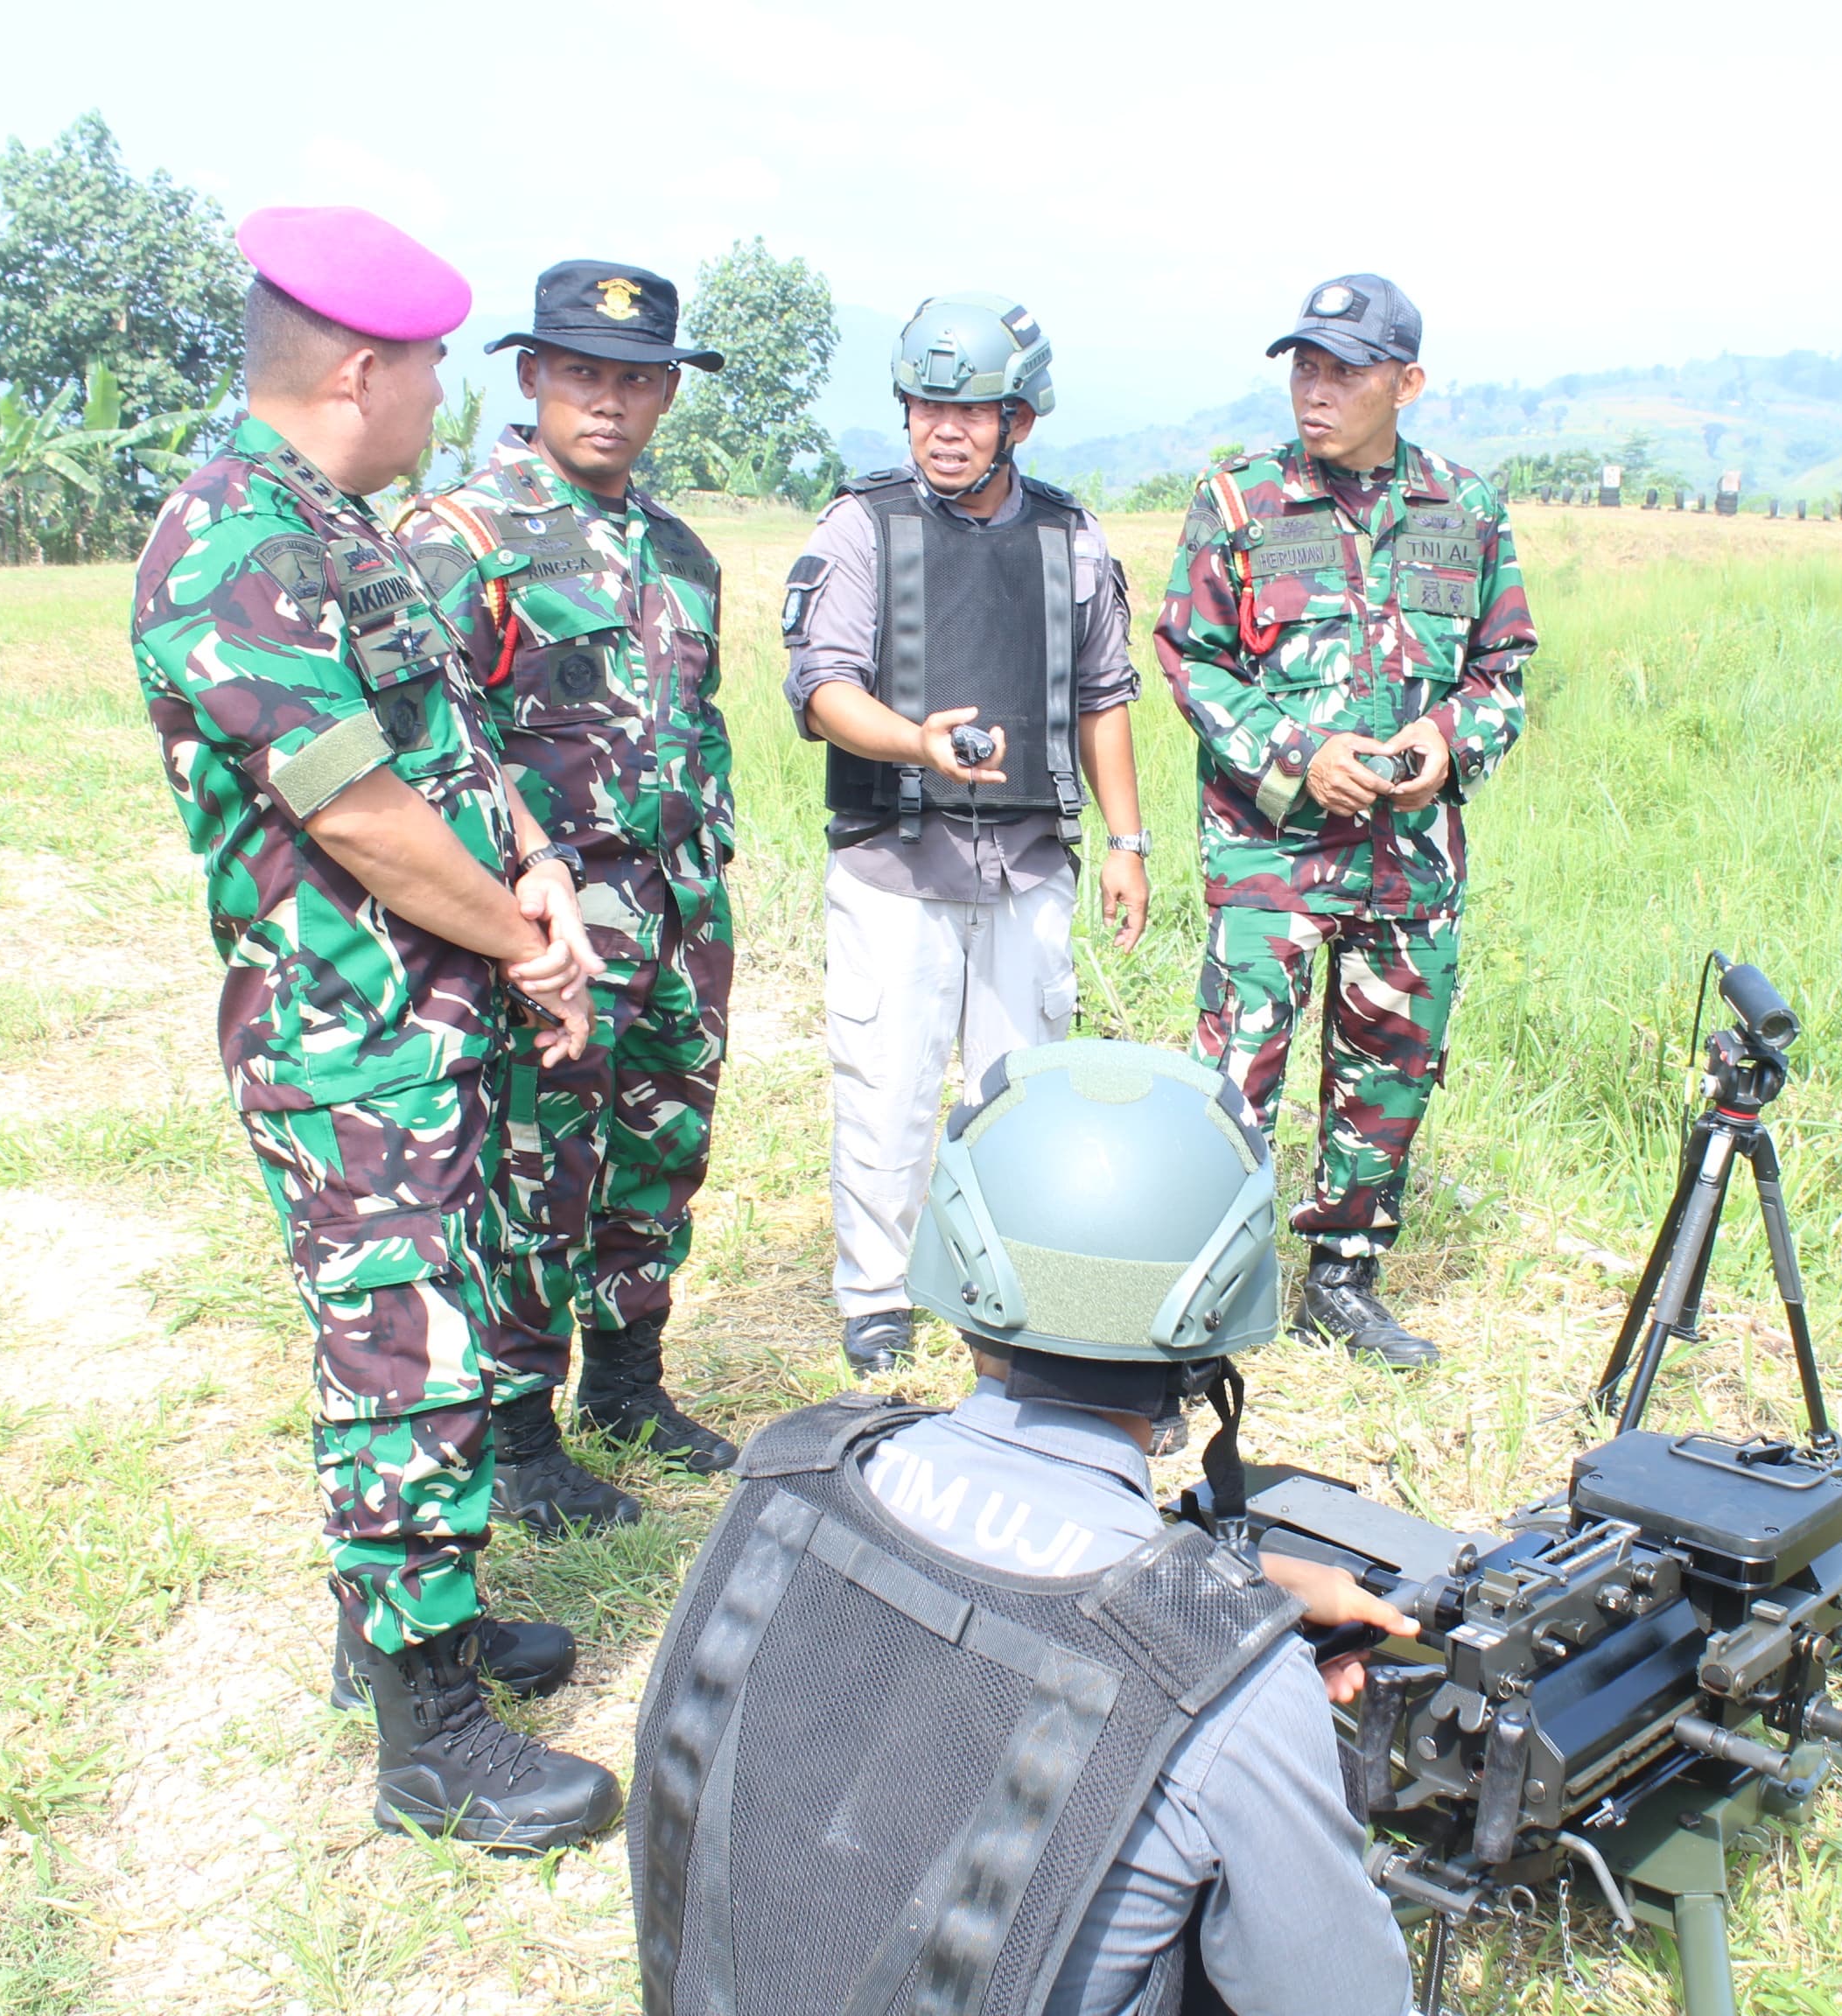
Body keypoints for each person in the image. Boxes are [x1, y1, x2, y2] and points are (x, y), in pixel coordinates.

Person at [130, 205, 619, 1851]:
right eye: (425, 366)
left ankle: (407, 1626)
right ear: (358, 370)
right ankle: (429, 1736)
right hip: (353, 1032)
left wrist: (539, 867)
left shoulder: (338, 524)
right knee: (402, 1358)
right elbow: (355, 813)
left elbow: (449, 750)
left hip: (435, 1012)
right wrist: (532, 946)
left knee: (441, 1323)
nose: (438, 394)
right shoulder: (233, 539)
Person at [629, 1040, 1415, 2016]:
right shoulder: (1235, 1696)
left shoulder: (794, 1475)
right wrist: (1253, 1678)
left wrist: (1230, 1596)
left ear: (958, 1267)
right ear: (1216, 1328)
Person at [402, 261, 740, 1535]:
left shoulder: (680, 549)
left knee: (658, 1154)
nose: (609, 401)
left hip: (677, 913)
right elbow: (435, 746)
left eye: (637, 380)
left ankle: (629, 1384)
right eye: (583, 373)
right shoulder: (459, 538)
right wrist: (505, 916)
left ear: (667, 394)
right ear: (533, 374)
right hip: (545, 927)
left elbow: (696, 725)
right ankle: (522, 1432)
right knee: (538, 1167)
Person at [1156, 275, 1535, 1371]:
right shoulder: (1239, 501)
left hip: (1410, 859)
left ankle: (1344, 1279)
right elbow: (1192, 660)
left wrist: (1447, 743)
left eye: (1343, 373)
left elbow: (1503, 667)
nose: (1314, 392)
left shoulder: (1467, 509)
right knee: (1238, 1073)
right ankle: (1201, 1302)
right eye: (1304, 369)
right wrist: (1299, 755)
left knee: (1391, 1067)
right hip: (1270, 851)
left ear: (1405, 385)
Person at [779, 294, 1152, 1377]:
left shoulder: (1069, 536)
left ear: (1017, 421)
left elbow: (1104, 695)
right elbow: (822, 690)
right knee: (887, 1092)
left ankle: (1008, 1291)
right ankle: (877, 1298)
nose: (945, 431)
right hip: (894, 861)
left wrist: (1127, 844)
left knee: (1022, 1094)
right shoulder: (862, 527)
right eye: (926, 407)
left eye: (972, 411)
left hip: (1028, 862)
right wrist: (914, 743)